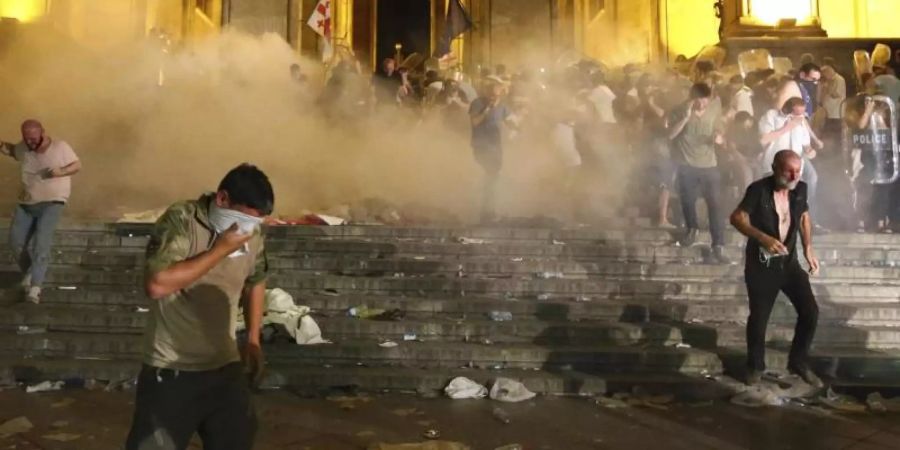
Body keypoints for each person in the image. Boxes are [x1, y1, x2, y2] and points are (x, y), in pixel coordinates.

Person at [125, 164, 274, 450]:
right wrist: (220, 249)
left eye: (256, 222)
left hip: (226, 366)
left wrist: (254, 340)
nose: (248, 228)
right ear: (222, 199)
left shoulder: (251, 232)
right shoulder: (182, 219)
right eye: (244, 217)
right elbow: (157, 284)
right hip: (172, 370)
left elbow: (256, 279)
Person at [729, 150, 822, 388]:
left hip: (789, 264)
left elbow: (803, 218)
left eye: (797, 171)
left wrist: (808, 248)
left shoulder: (800, 189)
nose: (793, 176)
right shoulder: (758, 190)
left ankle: (798, 361)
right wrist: (762, 238)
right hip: (762, 265)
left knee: (810, 311)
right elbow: (737, 217)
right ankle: (755, 366)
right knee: (759, 318)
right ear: (774, 167)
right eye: (788, 170)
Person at [0, 120, 81, 304]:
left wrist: (60, 172)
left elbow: (77, 166)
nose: (31, 143)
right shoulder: (24, 147)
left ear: (43, 133)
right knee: (15, 242)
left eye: (34, 139)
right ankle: (30, 273)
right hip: (26, 203)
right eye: (27, 139)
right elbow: (12, 150)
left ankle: (35, 288)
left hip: (53, 202)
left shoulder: (60, 147)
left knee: (41, 244)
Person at [667, 83, 729, 263]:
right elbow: (670, 135)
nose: (702, 104)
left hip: (710, 164)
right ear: (691, 98)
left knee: (715, 204)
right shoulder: (679, 110)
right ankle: (691, 229)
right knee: (687, 199)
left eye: (705, 100)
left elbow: (721, 131)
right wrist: (685, 118)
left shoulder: (714, 110)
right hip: (686, 164)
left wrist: (719, 137)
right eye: (698, 100)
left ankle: (718, 244)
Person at [759, 97, 824, 211]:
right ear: (787, 111)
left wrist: (811, 151)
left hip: (795, 169)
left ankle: (805, 216)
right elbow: (764, 139)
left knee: (800, 195)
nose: (801, 116)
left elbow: (806, 145)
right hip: (775, 168)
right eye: (797, 113)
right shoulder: (771, 115)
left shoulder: (801, 121)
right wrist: (786, 128)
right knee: (775, 203)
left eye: (802, 113)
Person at [469, 76, 515, 222]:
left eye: (496, 93)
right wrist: (488, 108)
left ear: (501, 92)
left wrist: (518, 128)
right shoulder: (478, 103)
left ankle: (489, 209)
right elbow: (475, 122)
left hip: (496, 146)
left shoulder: (503, 106)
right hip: (481, 145)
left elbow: (510, 121)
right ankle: (486, 209)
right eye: (490, 92)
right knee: (491, 174)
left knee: (493, 177)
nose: (493, 95)